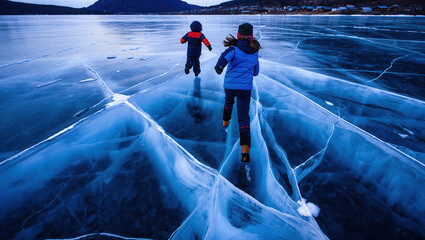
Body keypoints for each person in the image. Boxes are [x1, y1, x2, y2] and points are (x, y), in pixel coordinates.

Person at [214, 23, 261, 163]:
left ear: (238, 35)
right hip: (245, 89)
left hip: (230, 86)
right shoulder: (254, 53)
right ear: (251, 37)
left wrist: (219, 67)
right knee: (243, 116)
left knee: (228, 103)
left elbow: (223, 59)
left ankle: (225, 122)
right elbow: (256, 72)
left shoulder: (233, 49)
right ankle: (245, 149)